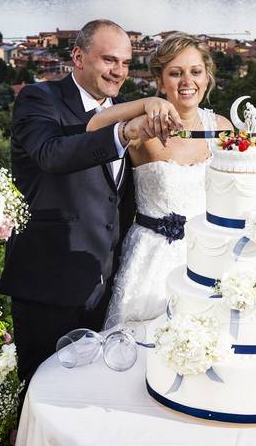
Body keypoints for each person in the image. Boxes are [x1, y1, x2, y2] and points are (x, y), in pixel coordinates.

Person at [0, 19, 181, 398]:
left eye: (126, 63)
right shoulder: (39, 99)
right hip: (47, 286)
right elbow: (51, 154)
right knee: (41, 395)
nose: (119, 72)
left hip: (107, 289)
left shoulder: (122, 113)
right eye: (109, 60)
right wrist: (120, 133)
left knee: (94, 396)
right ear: (78, 57)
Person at [87, 33, 232, 327]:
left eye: (195, 72)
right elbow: (94, 126)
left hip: (210, 254)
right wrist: (145, 104)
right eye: (175, 73)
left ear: (207, 76)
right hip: (152, 260)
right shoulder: (144, 130)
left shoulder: (221, 127)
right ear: (160, 81)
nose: (186, 81)